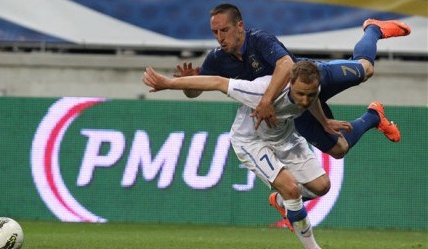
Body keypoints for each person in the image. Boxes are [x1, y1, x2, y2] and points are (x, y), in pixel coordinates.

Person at [142, 61, 400, 249]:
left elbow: (313, 103)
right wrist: (168, 82)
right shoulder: (261, 91)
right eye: (299, 94)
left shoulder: (311, 89)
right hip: (251, 140)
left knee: (322, 186)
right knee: (292, 190)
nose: (303, 100)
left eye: (309, 95)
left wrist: (323, 123)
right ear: (289, 84)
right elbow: (218, 82)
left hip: (284, 136)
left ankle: (279, 203)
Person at [175, 3, 409, 159]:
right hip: (297, 108)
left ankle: (373, 30)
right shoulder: (217, 58)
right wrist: (190, 84)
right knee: (339, 150)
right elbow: (195, 92)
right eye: (215, 33)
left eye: (224, 30)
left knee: (366, 69)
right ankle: (373, 116)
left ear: (239, 26)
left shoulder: (258, 40)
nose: (219, 37)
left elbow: (286, 65)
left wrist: (266, 101)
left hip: (314, 77)